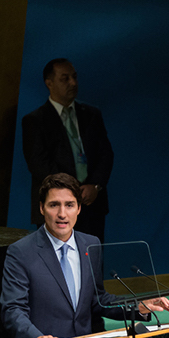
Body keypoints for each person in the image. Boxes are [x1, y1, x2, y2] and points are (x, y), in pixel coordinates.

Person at [0, 173, 169, 338]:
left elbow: (98, 300)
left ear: (79, 208)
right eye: (54, 205)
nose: (62, 214)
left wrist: (138, 306)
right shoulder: (21, 252)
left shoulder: (91, 244)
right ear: (42, 208)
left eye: (69, 205)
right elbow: (13, 309)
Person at [22, 59, 114, 241]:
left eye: (74, 77)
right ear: (49, 83)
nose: (73, 83)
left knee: (90, 264)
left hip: (91, 205)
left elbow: (106, 154)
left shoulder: (92, 115)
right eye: (65, 79)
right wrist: (70, 191)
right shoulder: (35, 121)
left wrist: (95, 186)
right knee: (56, 266)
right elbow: (38, 163)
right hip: (56, 207)